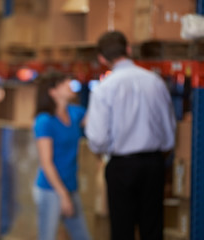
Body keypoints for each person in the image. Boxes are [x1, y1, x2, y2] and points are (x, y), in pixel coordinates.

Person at [85, 31, 176, 240]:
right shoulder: (155, 81)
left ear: (101, 58)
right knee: (152, 228)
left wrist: (102, 153)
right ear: (128, 49)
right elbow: (169, 129)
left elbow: (97, 138)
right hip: (153, 163)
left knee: (121, 229)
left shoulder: (104, 88)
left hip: (121, 166)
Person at [33, 71, 91, 240]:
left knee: (82, 236)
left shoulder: (75, 113)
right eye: (65, 83)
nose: (70, 85)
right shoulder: (44, 121)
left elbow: (98, 122)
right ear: (53, 92)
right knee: (47, 237)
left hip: (70, 186)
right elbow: (46, 163)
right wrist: (63, 195)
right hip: (51, 189)